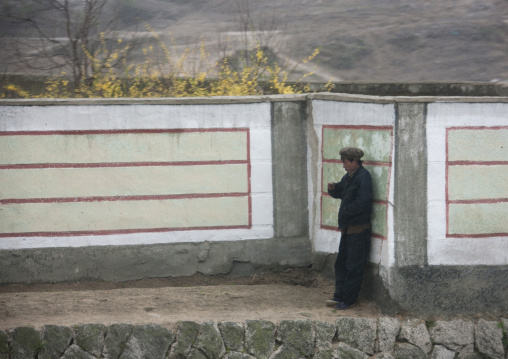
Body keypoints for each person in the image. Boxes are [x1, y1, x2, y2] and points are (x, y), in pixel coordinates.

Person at [326, 147, 373, 310]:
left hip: (359, 231)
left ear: (354, 161)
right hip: (348, 230)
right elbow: (341, 190)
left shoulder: (363, 177)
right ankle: (339, 295)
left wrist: (346, 211)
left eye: (345, 162)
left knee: (354, 266)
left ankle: (349, 299)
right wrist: (333, 189)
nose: (344, 166)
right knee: (341, 264)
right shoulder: (350, 176)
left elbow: (363, 202)